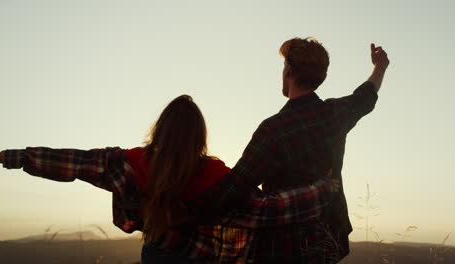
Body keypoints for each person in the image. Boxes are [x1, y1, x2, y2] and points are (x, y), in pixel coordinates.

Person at [0, 95, 338, 263]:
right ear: (200, 136)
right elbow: (269, 210)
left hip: (156, 255)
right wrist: (323, 189)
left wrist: (15, 157)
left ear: (160, 128)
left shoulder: (129, 164)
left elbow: (73, 162)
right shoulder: (216, 177)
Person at [154, 38, 390, 263]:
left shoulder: (275, 129)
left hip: (286, 247)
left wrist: (184, 212)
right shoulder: (335, 113)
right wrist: (380, 67)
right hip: (329, 240)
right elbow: (366, 96)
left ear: (288, 71)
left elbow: (235, 187)